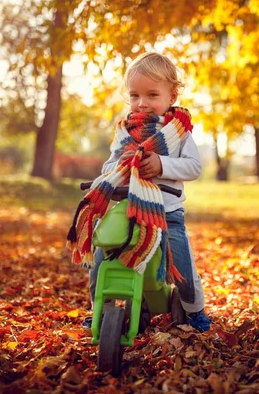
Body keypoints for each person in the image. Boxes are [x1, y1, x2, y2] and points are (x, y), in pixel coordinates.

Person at [84, 52, 212, 332]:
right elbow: (109, 166)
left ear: (172, 96)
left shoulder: (179, 133)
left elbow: (193, 167)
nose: (142, 103)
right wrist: (116, 168)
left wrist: (161, 164)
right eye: (134, 96)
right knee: (101, 258)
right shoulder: (124, 133)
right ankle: (97, 307)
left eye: (152, 95)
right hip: (127, 210)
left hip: (167, 214)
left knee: (183, 267)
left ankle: (194, 311)